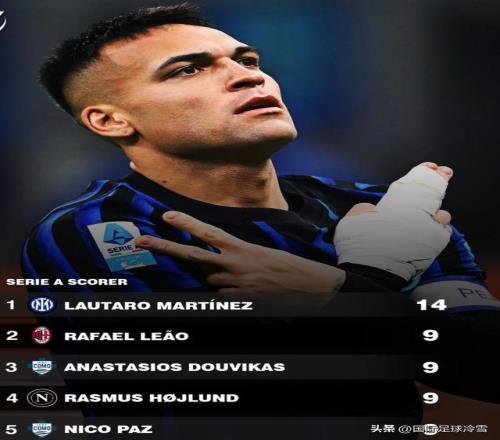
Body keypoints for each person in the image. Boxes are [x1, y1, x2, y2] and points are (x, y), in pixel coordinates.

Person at [22, 3, 499, 431]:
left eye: (247, 61)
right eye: (187, 70)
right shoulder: (98, 231)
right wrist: (367, 281)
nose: (249, 77)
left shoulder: (384, 207)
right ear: (110, 120)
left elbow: (486, 366)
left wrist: (338, 293)